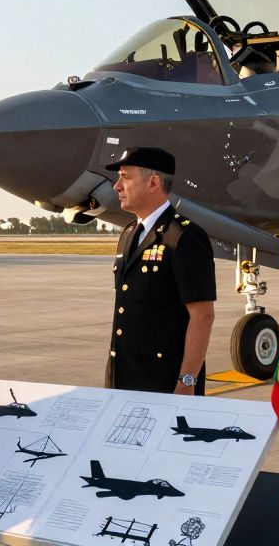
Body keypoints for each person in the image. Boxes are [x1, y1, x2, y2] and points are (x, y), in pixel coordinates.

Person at [105, 147, 215, 394]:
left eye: (126, 177)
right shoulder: (129, 234)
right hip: (122, 379)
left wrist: (187, 382)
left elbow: (203, 315)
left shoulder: (184, 237)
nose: (117, 186)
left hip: (164, 384)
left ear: (153, 182)